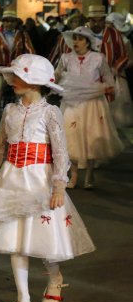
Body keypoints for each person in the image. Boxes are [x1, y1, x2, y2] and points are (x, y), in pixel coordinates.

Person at [0, 54, 95, 302]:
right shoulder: (10, 111)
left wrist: (59, 187)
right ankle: (23, 298)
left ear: (35, 81)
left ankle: (54, 278)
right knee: (16, 241)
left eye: (19, 76)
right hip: (12, 179)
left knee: (42, 238)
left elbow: (61, 152)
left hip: (40, 179)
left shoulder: (50, 112)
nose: (13, 81)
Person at [54, 26, 124, 189]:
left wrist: (107, 87)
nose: (76, 42)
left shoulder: (98, 58)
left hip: (92, 103)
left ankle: (90, 174)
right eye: (74, 38)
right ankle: (74, 175)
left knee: (91, 136)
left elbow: (108, 78)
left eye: (79, 39)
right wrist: (53, 79)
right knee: (71, 136)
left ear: (87, 42)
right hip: (72, 102)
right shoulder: (66, 58)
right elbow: (57, 74)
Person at [0, 10, 35, 131]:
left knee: (21, 91)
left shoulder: (23, 35)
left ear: (16, 23)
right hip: (2, 69)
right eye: (6, 21)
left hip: (18, 70)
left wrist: (30, 64)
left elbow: (30, 51)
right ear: (3, 22)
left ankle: (21, 118)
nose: (9, 24)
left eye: (12, 21)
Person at [105, 12, 133, 128]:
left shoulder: (125, 41)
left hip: (119, 76)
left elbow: (131, 60)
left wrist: (117, 68)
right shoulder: (104, 39)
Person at [87, 5, 128, 72]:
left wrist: (115, 69)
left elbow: (123, 56)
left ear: (104, 21)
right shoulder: (83, 34)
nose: (96, 24)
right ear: (89, 20)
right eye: (93, 21)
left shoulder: (114, 34)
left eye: (100, 21)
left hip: (110, 74)